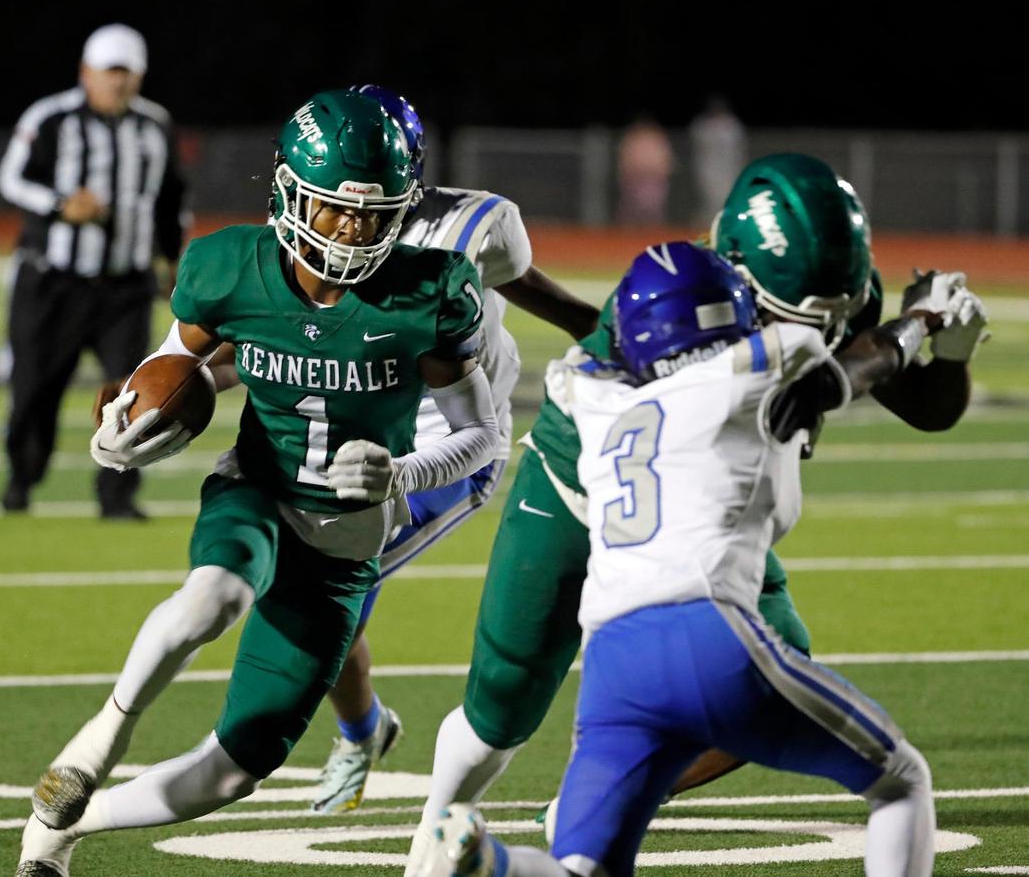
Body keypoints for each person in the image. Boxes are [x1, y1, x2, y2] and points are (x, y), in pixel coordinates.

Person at [403, 153, 989, 875]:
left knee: (778, 647)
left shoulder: (820, 291)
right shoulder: (677, 301)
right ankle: (436, 827)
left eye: (829, 306)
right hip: (576, 482)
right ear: (738, 268)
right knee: (505, 699)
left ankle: (585, 811)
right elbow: (833, 376)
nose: (813, 320)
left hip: (681, 527)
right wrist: (918, 324)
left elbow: (914, 396)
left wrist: (946, 353)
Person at [14, 88, 501, 877]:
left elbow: (484, 436)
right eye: (336, 209)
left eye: (375, 214)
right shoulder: (229, 266)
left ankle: (60, 833)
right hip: (259, 488)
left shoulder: (428, 292)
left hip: (344, 544)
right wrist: (123, 430)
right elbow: (168, 370)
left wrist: (403, 470)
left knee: (238, 768)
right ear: (287, 191)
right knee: (216, 595)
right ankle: (100, 736)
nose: (354, 230)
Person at [305, 84, 600, 815]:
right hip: (359, 435)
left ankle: (359, 731)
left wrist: (606, 333)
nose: (351, 217)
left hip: (450, 444)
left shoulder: (477, 222)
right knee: (319, 603)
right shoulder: (317, 218)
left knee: (322, 600)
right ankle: (365, 726)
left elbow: (524, 283)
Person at [0, 23, 188, 519]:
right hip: (51, 281)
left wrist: (173, 259)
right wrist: (60, 204)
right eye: (110, 72)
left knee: (134, 391)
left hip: (124, 287)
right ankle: (22, 479)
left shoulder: (155, 125)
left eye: (128, 73)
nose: (118, 83)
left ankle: (117, 495)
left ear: (140, 76)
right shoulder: (52, 117)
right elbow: (11, 178)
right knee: (34, 388)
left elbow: (170, 201)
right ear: (87, 72)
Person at [688, 94, 746, 228]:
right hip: (708, 168)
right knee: (710, 200)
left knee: (727, 199)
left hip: (729, 169)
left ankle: (724, 227)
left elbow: (739, 149)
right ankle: (707, 227)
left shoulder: (732, 124)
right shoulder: (702, 124)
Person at [615, 115, 674, 225]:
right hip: (634, 181)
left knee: (653, 212)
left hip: (654, 181)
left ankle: (653, 235)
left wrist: (659, 173)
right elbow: (625, 161)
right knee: (630, 213)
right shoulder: (631, 139)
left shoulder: (658, 139)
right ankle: (626, 237)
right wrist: (628, 174)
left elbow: (665, 161)